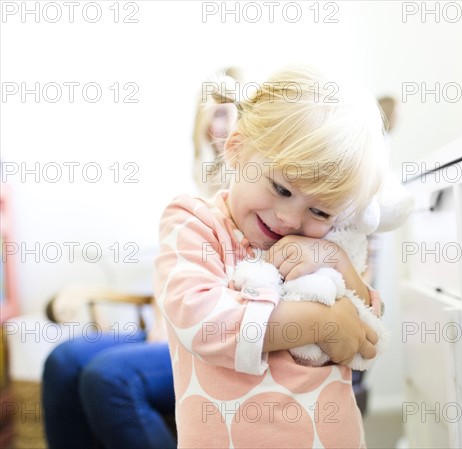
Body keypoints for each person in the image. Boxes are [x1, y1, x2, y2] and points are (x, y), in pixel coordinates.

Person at [153, 65, 387, 448]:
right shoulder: (194, 222)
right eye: (280, 188)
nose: (291, 218)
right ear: (236, 148)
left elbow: (369, 337)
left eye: (320, 211)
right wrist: (319, 323)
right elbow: (200, 321)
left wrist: (337, 262)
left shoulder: (330, 248)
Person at [41, 70, 240, 449]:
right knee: (64, 361)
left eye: (230, 112)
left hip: (204, 336)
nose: (221, 125)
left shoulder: (259, 195)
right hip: (165, 327)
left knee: (107, 377)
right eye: (213, 113)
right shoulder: (199, 193)